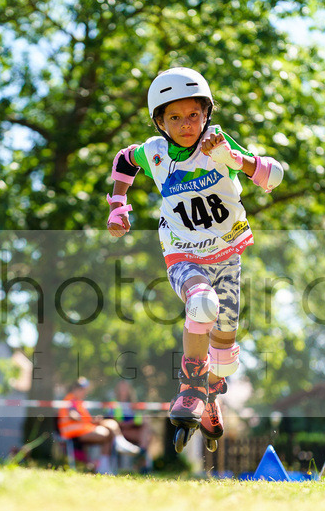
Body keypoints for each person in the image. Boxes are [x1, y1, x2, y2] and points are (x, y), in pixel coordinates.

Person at [105, 67, 283, 452]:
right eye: (174, 117)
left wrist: (236, 159)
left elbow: (274, 176)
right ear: (160, 121)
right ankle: (189, 386)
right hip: (182, 253)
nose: (186, 125)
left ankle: (211, 396)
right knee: (202, 304)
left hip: (226, 252)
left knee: (225, 356)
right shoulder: (153, 152)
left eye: (193, 115)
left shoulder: (217, 143)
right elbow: (124, 160)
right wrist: (118, 204)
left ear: (206, 114)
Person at [57, 377, 140, 473]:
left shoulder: (78, 401)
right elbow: (74, 415)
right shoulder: (70, 400)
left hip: (81, 430)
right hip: (74, 433)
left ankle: (106, 464)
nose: (85, 393)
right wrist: (90, 420)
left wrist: (92, 420)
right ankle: (118, 445)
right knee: (107, 433)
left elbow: (81, 418)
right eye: (83, 390)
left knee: (109, 429)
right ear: (76, 389)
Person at [107, 379, 153, 471]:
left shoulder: (134, 404)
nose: (123, 390)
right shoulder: (113, 403)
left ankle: (141, 453)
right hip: (119, 431)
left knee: (146, 430)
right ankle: (142, 459)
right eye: (121, 388)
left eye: (125, 388)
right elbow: (112, 421)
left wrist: (134, 423)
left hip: (132, 429)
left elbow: (139, 419)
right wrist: (128, 424)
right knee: (146, 436)